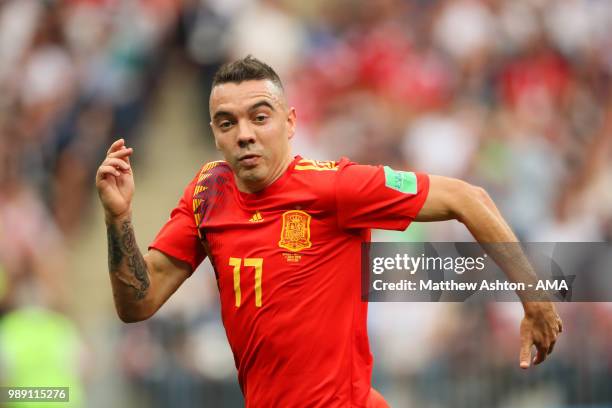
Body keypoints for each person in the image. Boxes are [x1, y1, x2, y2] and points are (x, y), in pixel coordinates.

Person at [95, 56, 562, 407]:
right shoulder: (207, 192)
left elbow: (468, 198)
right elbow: (138, 302)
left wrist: (535, 300)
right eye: (227, 122)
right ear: (215, 134)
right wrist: (119, 219)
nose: (244, 134)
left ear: (290, 122)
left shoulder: (335, 186)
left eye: (260, 117)